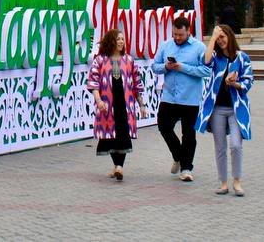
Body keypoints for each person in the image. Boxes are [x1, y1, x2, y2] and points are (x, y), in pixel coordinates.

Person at [151, 15, 212, 182]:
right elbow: (154, 66)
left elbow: (206, 71)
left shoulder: (199, 47)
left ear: (188, 32)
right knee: (164, 126)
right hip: (169, 96)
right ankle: (178, 155)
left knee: (189, 134)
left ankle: (186, 168)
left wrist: (183, 67)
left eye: (181, 35)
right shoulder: (166, 45)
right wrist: (166, 66)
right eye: (175, 34)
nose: (177, 38)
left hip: (190, 98)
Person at [196, 24, 254, 196]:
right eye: (218, 38)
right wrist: (212, 38)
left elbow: (249, 81)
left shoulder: (242, 58)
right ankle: (223, 182)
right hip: (217, 109)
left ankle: (237, 181)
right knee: (220, 146)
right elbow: (204, 61)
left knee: (236, 145)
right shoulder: (215, 57)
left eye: (222, 37)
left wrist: (235, 83)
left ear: (230, 36)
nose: (220, 41)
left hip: (236, 109)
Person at [85, 29, 145, 181]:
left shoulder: (129, 60)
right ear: (111, 41)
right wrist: (98, 101)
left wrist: (141, 105)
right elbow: (93, 83)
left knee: (123, 135)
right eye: (118, 39)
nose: (121, 42)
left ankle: (119, 167)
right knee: (109, 136)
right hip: (107, 106)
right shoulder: (100, 61)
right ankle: (117, 166)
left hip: (125, 105)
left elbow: (137, 84)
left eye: (122, 39)